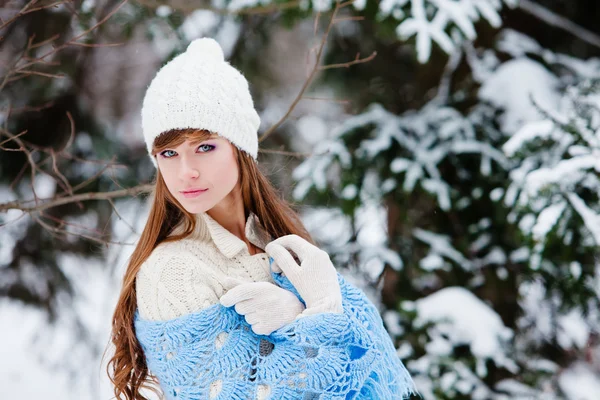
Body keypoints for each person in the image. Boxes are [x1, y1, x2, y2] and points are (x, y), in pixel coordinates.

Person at [106, 37, 416, 400]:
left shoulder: (275, 241)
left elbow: (380, 360)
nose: (185, 171)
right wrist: (317, 319)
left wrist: (308, 311)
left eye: (205, 147)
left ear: (240, 148)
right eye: (168, 153)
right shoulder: (173, 271)